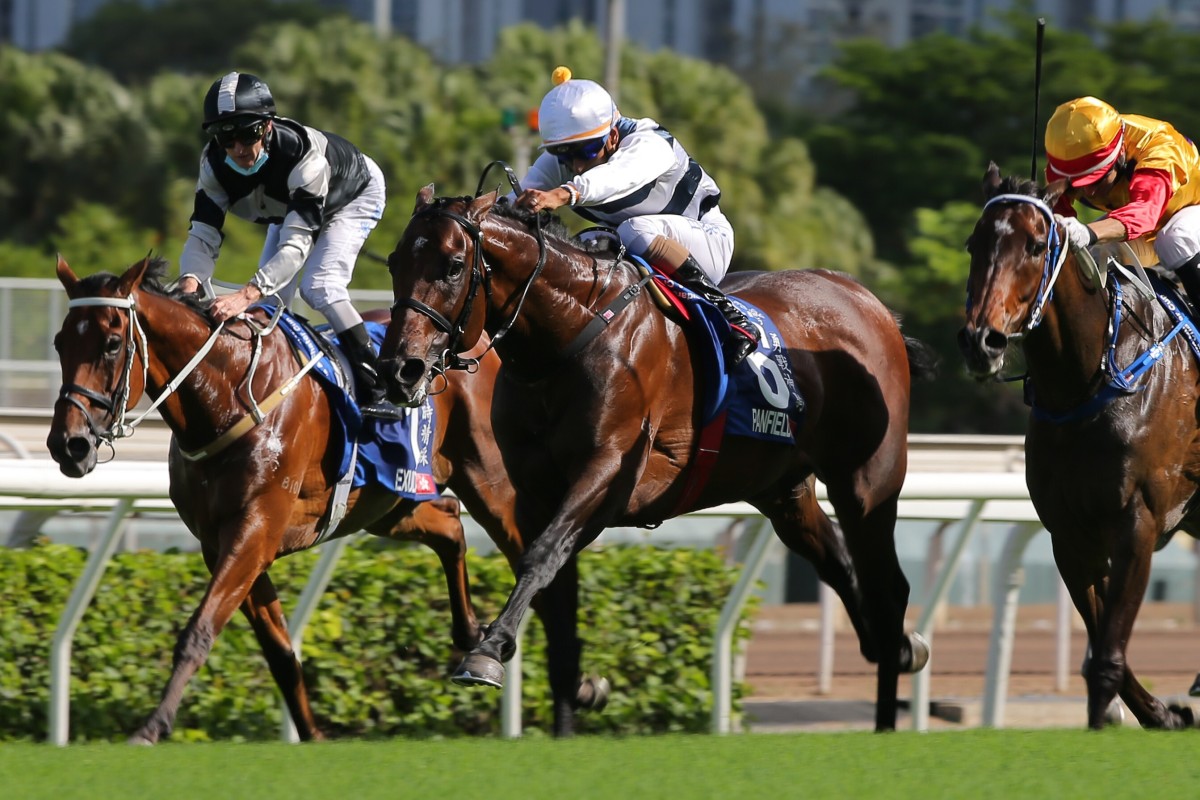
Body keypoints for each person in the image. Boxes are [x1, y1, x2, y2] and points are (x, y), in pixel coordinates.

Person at [177, 71, 402, 419]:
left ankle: (379, 386)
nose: (237, 149)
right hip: (290, 209)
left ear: (266, 127)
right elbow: (203, 235)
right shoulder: (214, 165)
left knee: (320, 286)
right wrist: (187, 284)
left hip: (352, 195)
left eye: (246, 134)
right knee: (270, 307)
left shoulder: (302, 157)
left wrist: (242, 296)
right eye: (225, 137)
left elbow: (296, 248)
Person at [514, 66, 757, 367]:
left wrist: (561, 194)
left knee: (634, 229)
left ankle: (730, 316)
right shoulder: (564, 162)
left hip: (707, 243)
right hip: (637, 247)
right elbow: (516, 201)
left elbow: (614, 178)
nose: (575, 165)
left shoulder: (651, 143)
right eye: (563, 155)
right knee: (580, 244)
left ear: (612, 135)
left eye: (585, 151)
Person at [1045, 96, 1200, 307]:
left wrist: (1088, 232)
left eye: (1096, 179)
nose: (1088, 192)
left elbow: (1144, 212)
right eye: (1076, 183)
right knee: (1091, 258)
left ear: (1120, 155)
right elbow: (1057, 225)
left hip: (1188, 208)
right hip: (1145, 227)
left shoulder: (1158, 147)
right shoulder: (1067, 161)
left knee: (1175, 238)